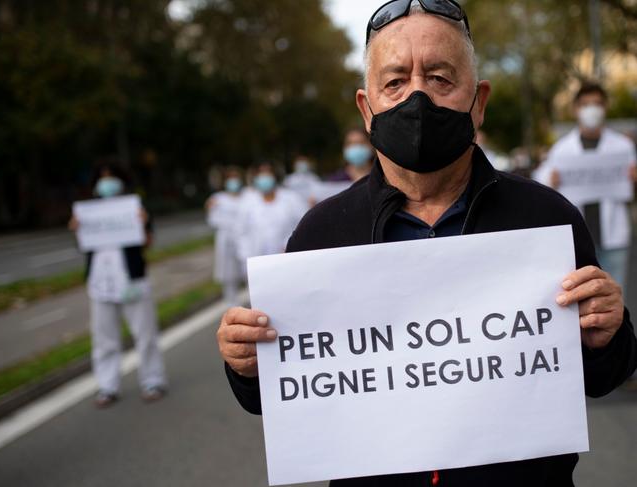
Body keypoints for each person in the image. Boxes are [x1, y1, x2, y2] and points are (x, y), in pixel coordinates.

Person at [217, 1, 637, 485]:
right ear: (366, 106)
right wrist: (246, 365)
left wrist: (609, 333)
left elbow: (601, 376)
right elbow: (276, 397)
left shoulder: (545, 219)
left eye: (440, 78)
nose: (417, 97)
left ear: (478, 102)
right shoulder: (320, 235)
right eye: (395, 81)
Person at [70, 162, 167, 408]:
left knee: (144, 334)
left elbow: (148, 242)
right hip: (100, 281)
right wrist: (77, 229)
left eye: (111, 177)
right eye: (102, 178)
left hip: (132, 279)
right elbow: (82, 244)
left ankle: (152, 379)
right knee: (104, 338)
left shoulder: (134, 208)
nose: (107, 183)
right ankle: (107, 385)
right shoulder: (88, 212)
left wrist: (143, 223)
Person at [535, 82, 637, 290]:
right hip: (577, 241)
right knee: (582, 302)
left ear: (606, 107)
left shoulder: (623, 148)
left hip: (613, 238)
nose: (592, 109)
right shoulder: (562, 150)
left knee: (616, 299)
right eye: (585, 104)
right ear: (575, 109)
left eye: (597, 103)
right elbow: (539, 179)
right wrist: (549, 179)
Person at [234, 163, 309, 263]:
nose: (264, 177)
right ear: (255, 178)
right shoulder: (247, 202)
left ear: (275, 176)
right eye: (260, 173)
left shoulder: (292, 198)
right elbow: (241, 232)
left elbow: (304, 224)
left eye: (268, 173)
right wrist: (247, 259)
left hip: (289, 258)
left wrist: (290, 246)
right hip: (257, 261)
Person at [206, 167, 245, 306]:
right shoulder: (218, 199)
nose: (233, 181)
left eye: (235, 177)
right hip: (226, 240)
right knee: (228, 276)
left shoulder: (248, 196)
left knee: (249, 272)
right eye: (230, 178)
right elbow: (213, 219)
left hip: (244, 239)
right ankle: (232, 305)